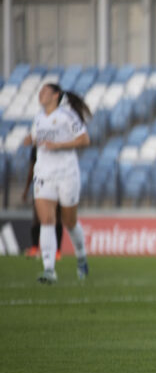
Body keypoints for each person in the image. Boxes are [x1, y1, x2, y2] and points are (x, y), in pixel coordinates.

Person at [22, 83, 91, 283]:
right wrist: (30, 139)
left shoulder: (67, 116)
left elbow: (84, 139)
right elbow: (37, 138)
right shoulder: (38, 119)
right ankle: (49, 269)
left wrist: (59, 145)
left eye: (44, 91)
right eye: (40, 91)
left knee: (69, 222)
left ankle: (81, 257)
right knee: (47, 221)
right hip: (43, 174)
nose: (40, 94)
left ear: (56, 95)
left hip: (67, 174)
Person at [23, 146, 64, 262]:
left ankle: (57, 251)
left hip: (57, 182)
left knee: (56, 217)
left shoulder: (59, 144)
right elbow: (32, 168)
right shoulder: (36, 146)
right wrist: (26, 189)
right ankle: (35, 248)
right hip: (41, 183)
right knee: (38, 216)